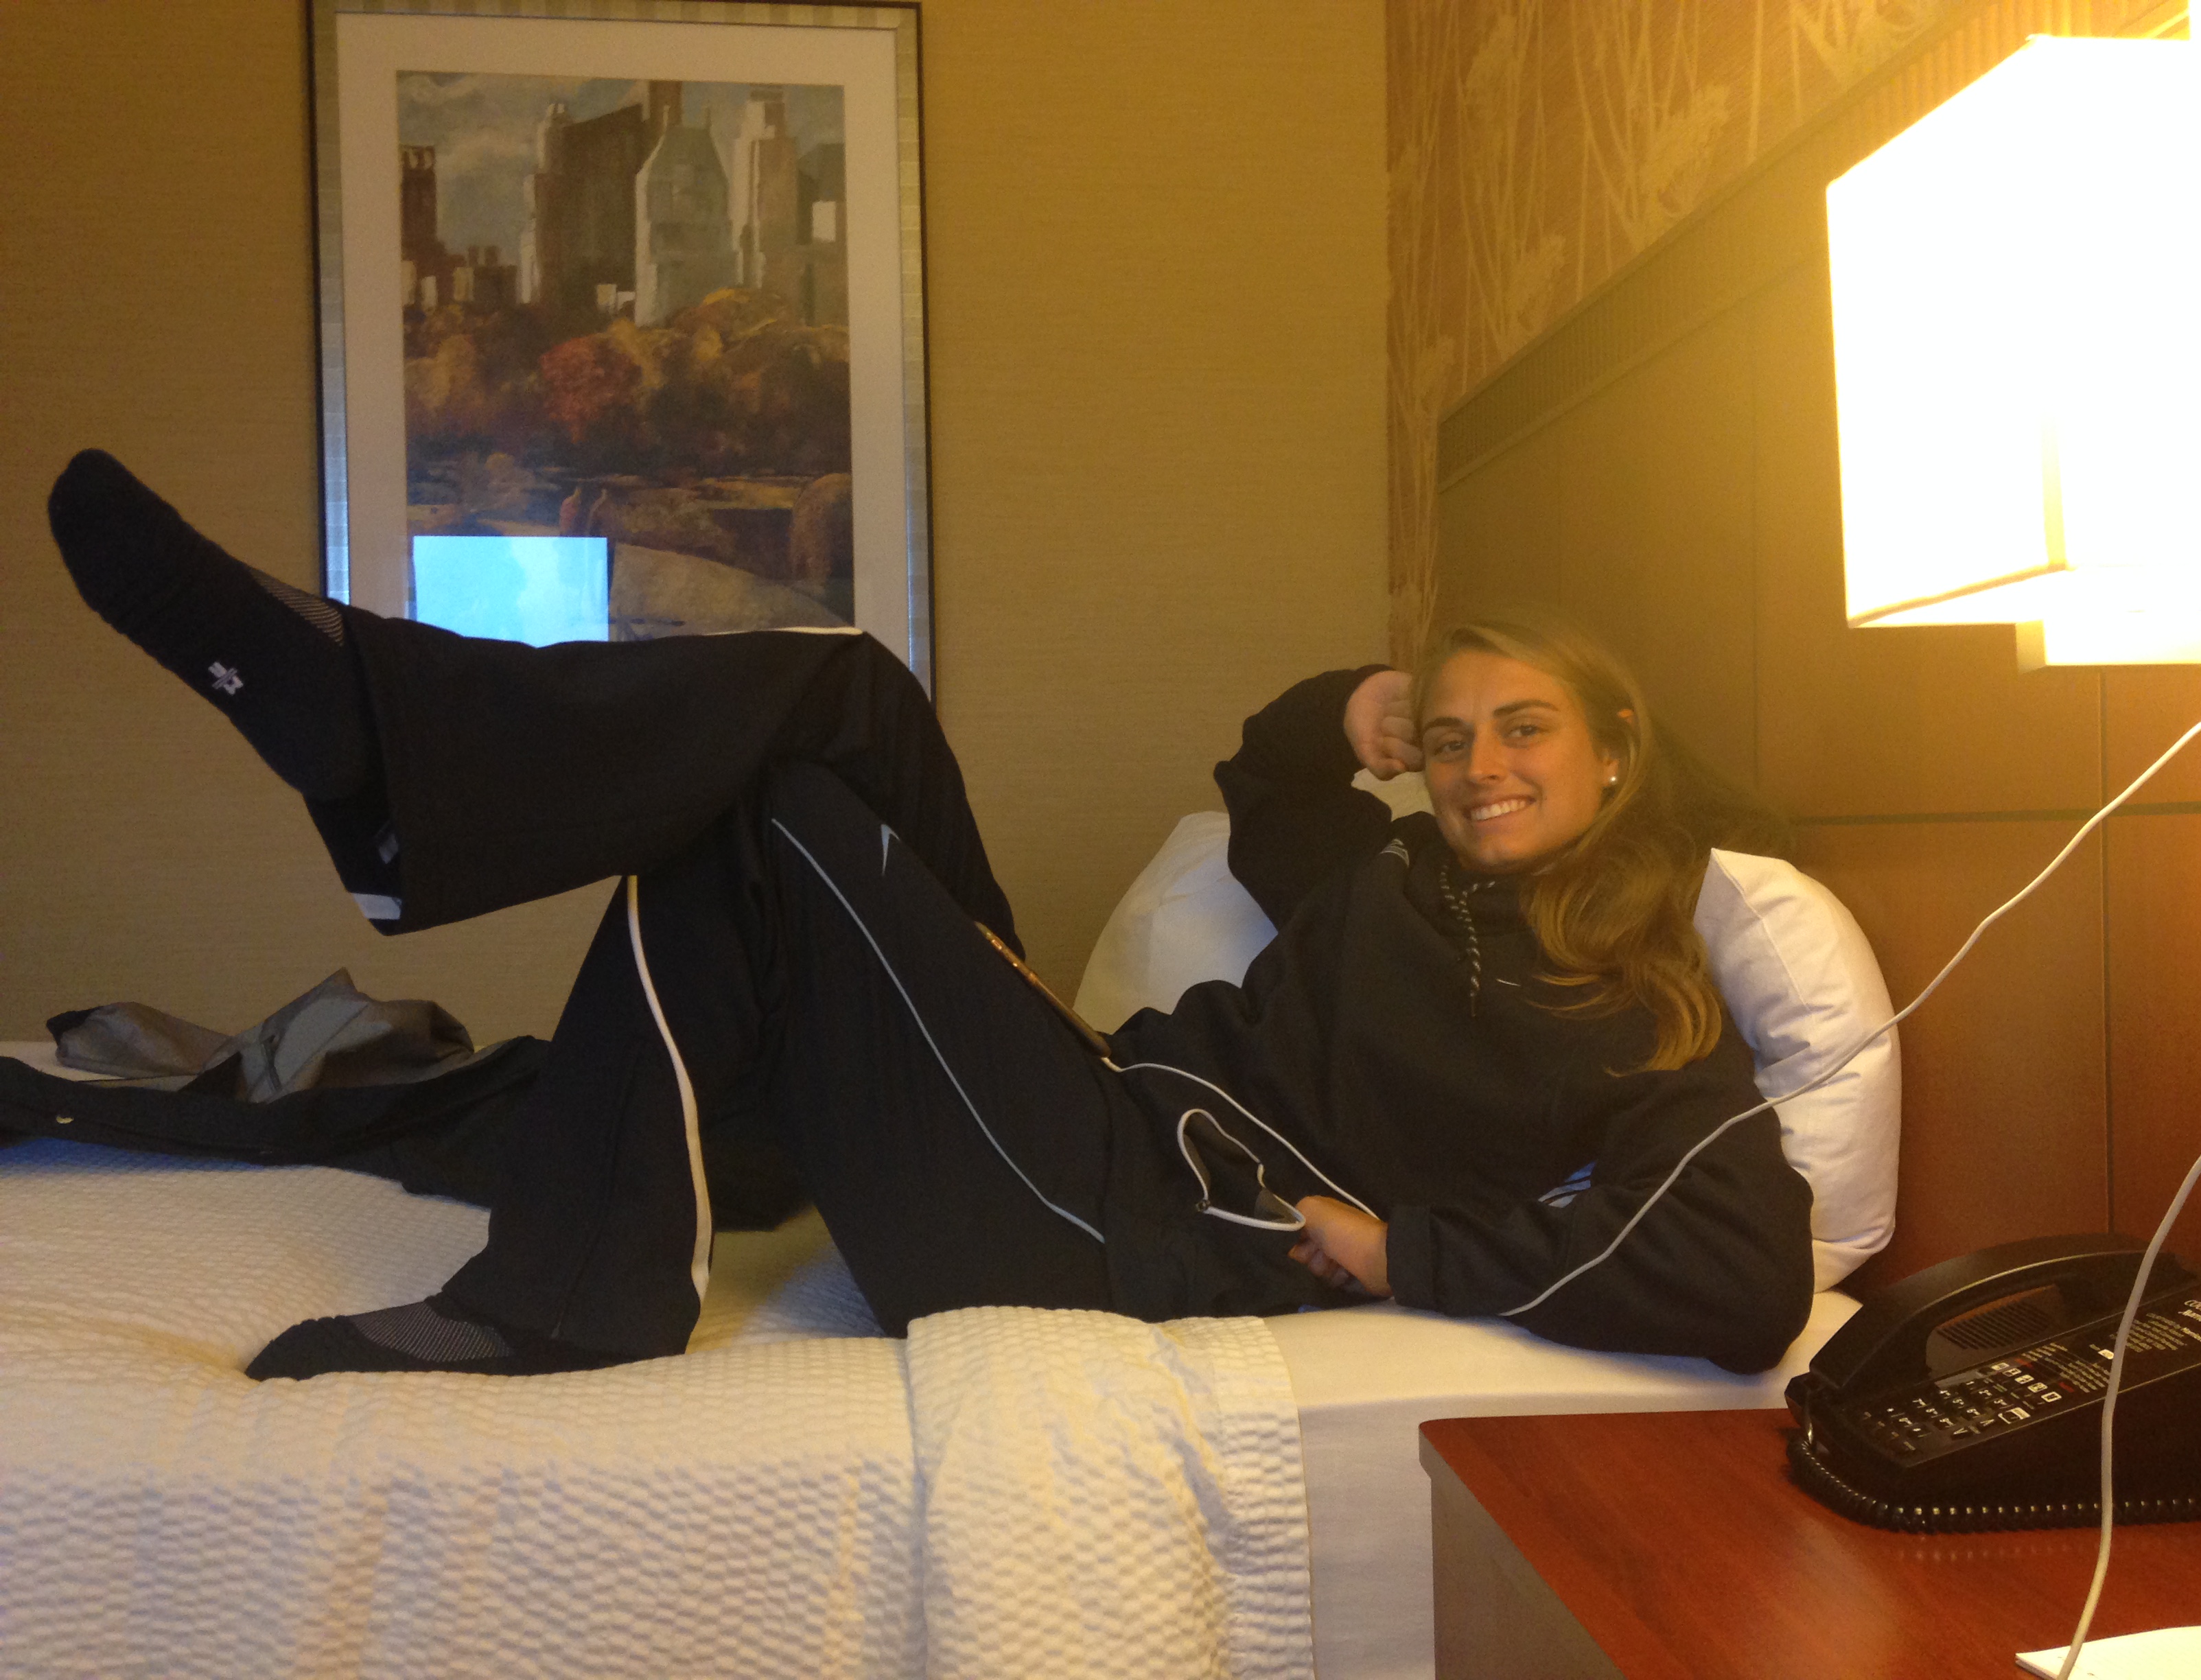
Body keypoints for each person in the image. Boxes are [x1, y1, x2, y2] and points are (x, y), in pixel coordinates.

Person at [35, 449, 1815, 1382]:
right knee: (850, 691)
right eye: (1456, 735)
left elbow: (1745, 1277)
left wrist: (1403, 1252)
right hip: (1088, 1108)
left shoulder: (1633, 994)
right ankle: (389, 745)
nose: (1481, 768)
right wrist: (1366, 703)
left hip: (1124, 1234)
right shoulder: (1398, 878)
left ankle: (560, 1270)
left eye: (1525, 732)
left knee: (762, 814)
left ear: (1619, 749)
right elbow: (1271, 781)